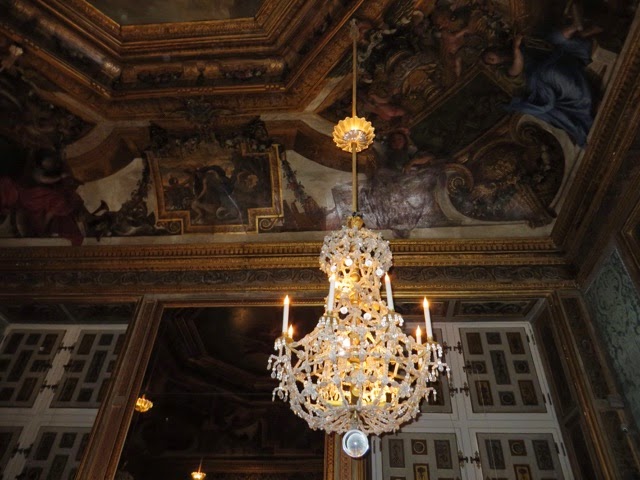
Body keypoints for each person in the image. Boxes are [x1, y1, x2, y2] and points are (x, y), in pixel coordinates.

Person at [482, 17, 598, 147]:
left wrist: (522, 39)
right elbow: (516, 70)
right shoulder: (504, 69)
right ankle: (582, 101)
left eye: (491, 55)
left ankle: (578, 26)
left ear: (495, 49)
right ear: (493, 64)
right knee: (550, 73)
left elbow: (539, 43)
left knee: (555, 37)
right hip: (539, 79)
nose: (493, 58)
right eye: (490, 60)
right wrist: (516, 49)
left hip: (552, 57)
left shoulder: (510, 44)